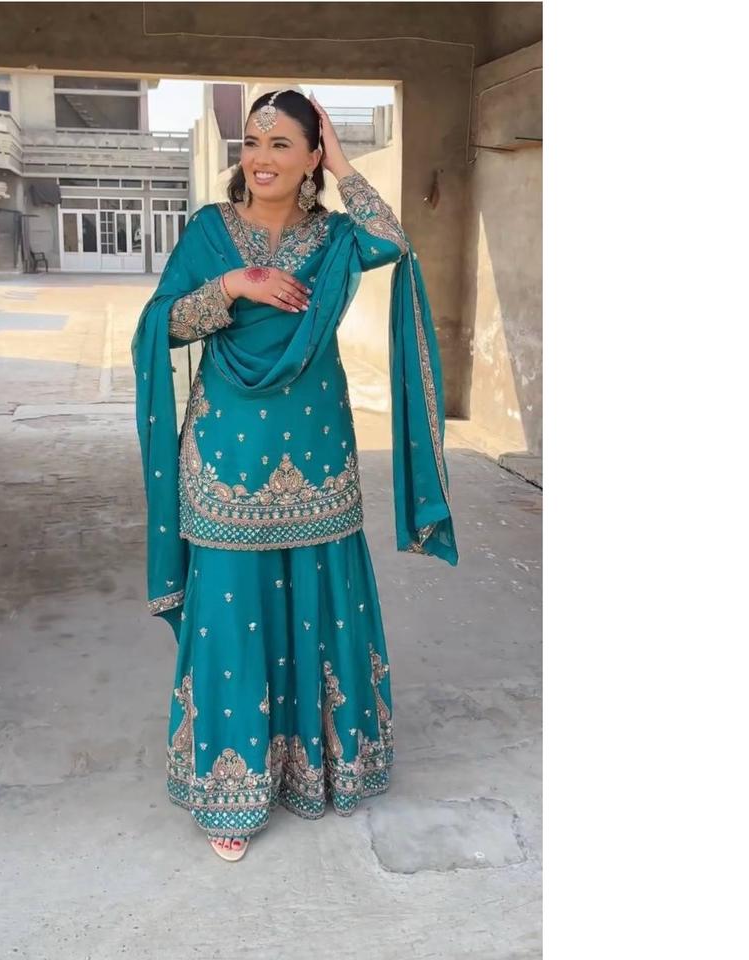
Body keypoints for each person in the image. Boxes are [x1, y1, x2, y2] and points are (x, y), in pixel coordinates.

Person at [131, 90, 458, 862]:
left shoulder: (336, 237)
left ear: (311, 157)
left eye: (282, 144)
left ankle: (323, 765)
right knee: (229, 611)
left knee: (321, 599)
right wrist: (232, 288)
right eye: (252, 142)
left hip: (315, 449)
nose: (261, 158)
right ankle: (230, 787)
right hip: (226, 452)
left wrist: (342, 162)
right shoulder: (210, 231)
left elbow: (392, 240)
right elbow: (161, 324)